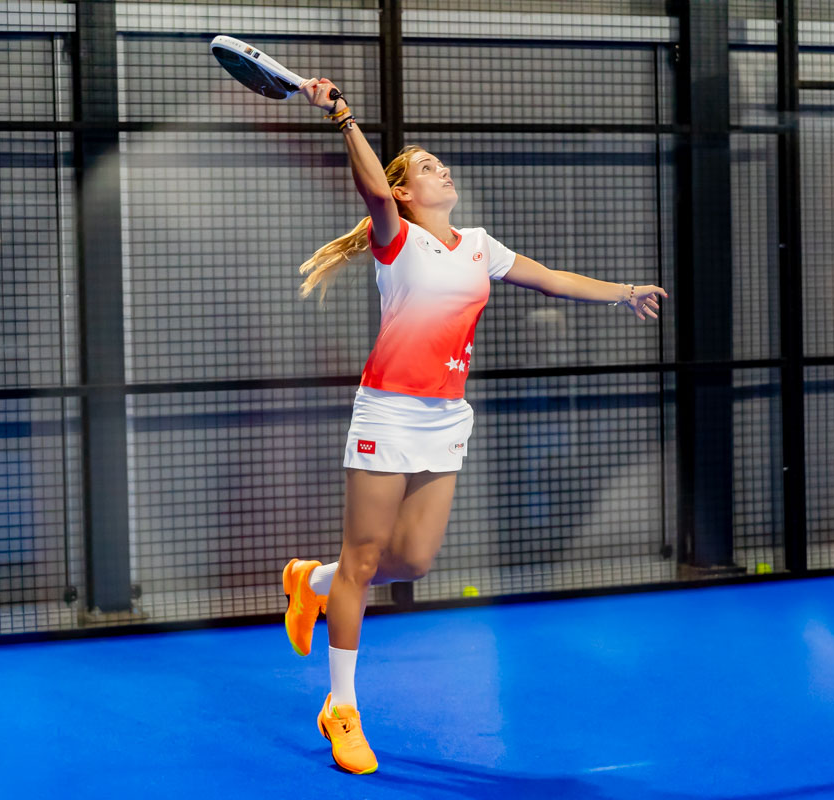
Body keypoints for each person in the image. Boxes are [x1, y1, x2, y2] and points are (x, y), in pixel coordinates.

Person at [281, 77, 668, 775]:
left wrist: (624, 293)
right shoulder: (394, 237)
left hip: (445, 418)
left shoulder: (479, 246)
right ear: (404, 193)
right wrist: (341, 116)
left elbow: (550, 278)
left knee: (413, 562)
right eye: (427, 167)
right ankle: (341, 706)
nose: (442, 170)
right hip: (387, 411)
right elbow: (371, 190)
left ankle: (310, 583)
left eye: (441, 163)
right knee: (364, 560)